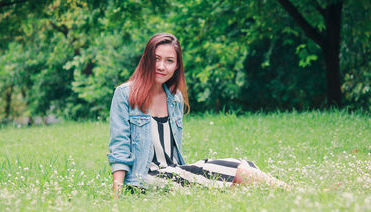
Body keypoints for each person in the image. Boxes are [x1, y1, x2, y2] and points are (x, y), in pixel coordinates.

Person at [108, 33, 286, 198]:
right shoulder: (125, 94)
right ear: (146, 59)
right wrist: (117, 194)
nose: (161, 66)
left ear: (177, 66)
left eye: (169, 61)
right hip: (145, 179)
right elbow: (119, 147)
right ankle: (291, 190)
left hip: (174, 172)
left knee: (242, 165)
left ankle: (284, 191)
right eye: (156, 59)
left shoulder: (175, 98)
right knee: (237, 171)